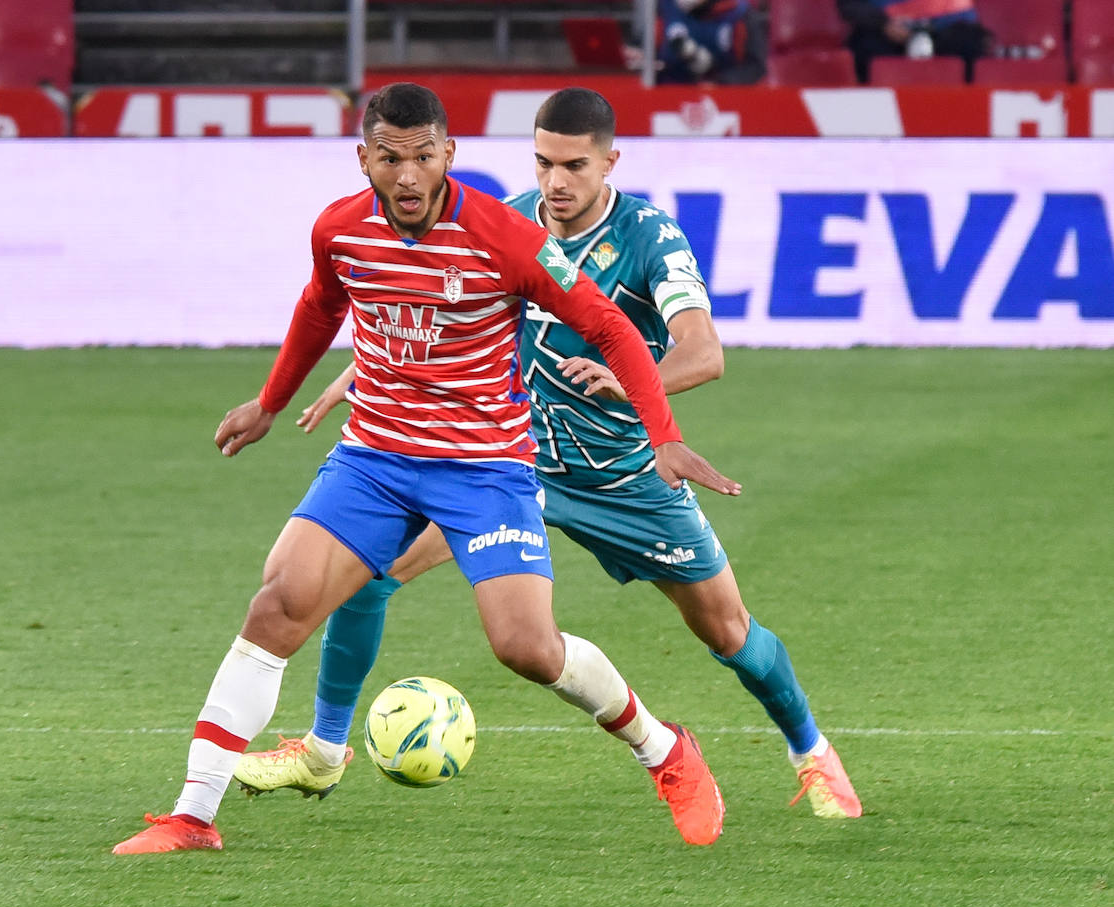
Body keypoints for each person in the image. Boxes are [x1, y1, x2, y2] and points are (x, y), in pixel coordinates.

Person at [113, 82, 742, 855]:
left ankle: (665, 749)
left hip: (483, 467)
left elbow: (608, 325)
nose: (406, 176)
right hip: (374, 456)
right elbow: (321, 305)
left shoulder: (505, 238)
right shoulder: (340, 229)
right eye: (388, 158)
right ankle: (193, 814)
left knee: (526, 647)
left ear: (449, 154)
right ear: (364, 159)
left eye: (421, 157)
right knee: (277, 605)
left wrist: (664, 433)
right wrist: (271, 401)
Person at [234, 87, 862, 821]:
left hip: (623, 475)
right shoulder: (503, 227)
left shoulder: (649, 238)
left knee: (729, 631)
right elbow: (431, 313)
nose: (555, 182)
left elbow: (704, 352)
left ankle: (811, 751)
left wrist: (632, 385)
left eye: (574, 165)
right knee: (368, 577)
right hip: (510, 468)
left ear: (609, 162)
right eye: (542, 163)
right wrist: (358, 373)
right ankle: (324, 749)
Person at [836, 0, 993, 84]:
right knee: (863, 48)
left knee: (971, 45)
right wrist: (883, 24)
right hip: (884, 31)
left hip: (949, 30)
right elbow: (849, 5)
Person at [654, 0, 767, 85]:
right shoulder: (664, 8)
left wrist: (719, 82)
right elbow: (648, 55)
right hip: (669, 93)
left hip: (723, 99)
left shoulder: (741, 15)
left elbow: (755, 68)